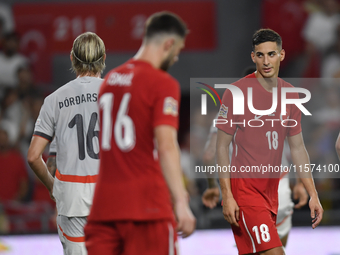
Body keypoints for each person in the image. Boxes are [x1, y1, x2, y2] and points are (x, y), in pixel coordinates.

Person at [85, 11, 196, 255]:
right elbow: (166, 145)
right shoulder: (162, 83)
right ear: (168, 44)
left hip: (104, 210)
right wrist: (180, 200)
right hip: (147, 209)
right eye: (178, 49)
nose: (177, 57)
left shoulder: (110, 81)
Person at [215, 29, 323, 255]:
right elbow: (221, 146)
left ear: (282, 55)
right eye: (260, 55)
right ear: (253, 57)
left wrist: (312, 193)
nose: (266, 61)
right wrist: (227, 195)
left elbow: (298, 148)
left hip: (272, 195)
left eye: (271, 54)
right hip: (245, 194)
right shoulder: (236, 93)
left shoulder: (291, 94)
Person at [202, 67, 308, 247]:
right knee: (278, 246)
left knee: (254, 247)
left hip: (243, 192)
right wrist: (300, 183)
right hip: (278, 189)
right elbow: (296, 149)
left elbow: (208, 155)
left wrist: (213, 186)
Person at [27, 32, 106, 255]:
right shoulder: (118, 94)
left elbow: (33, 156)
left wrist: (54, 187)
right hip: (110, 196)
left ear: (72, 57)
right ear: (104, 57)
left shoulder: (54, 99)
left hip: (71, 198)